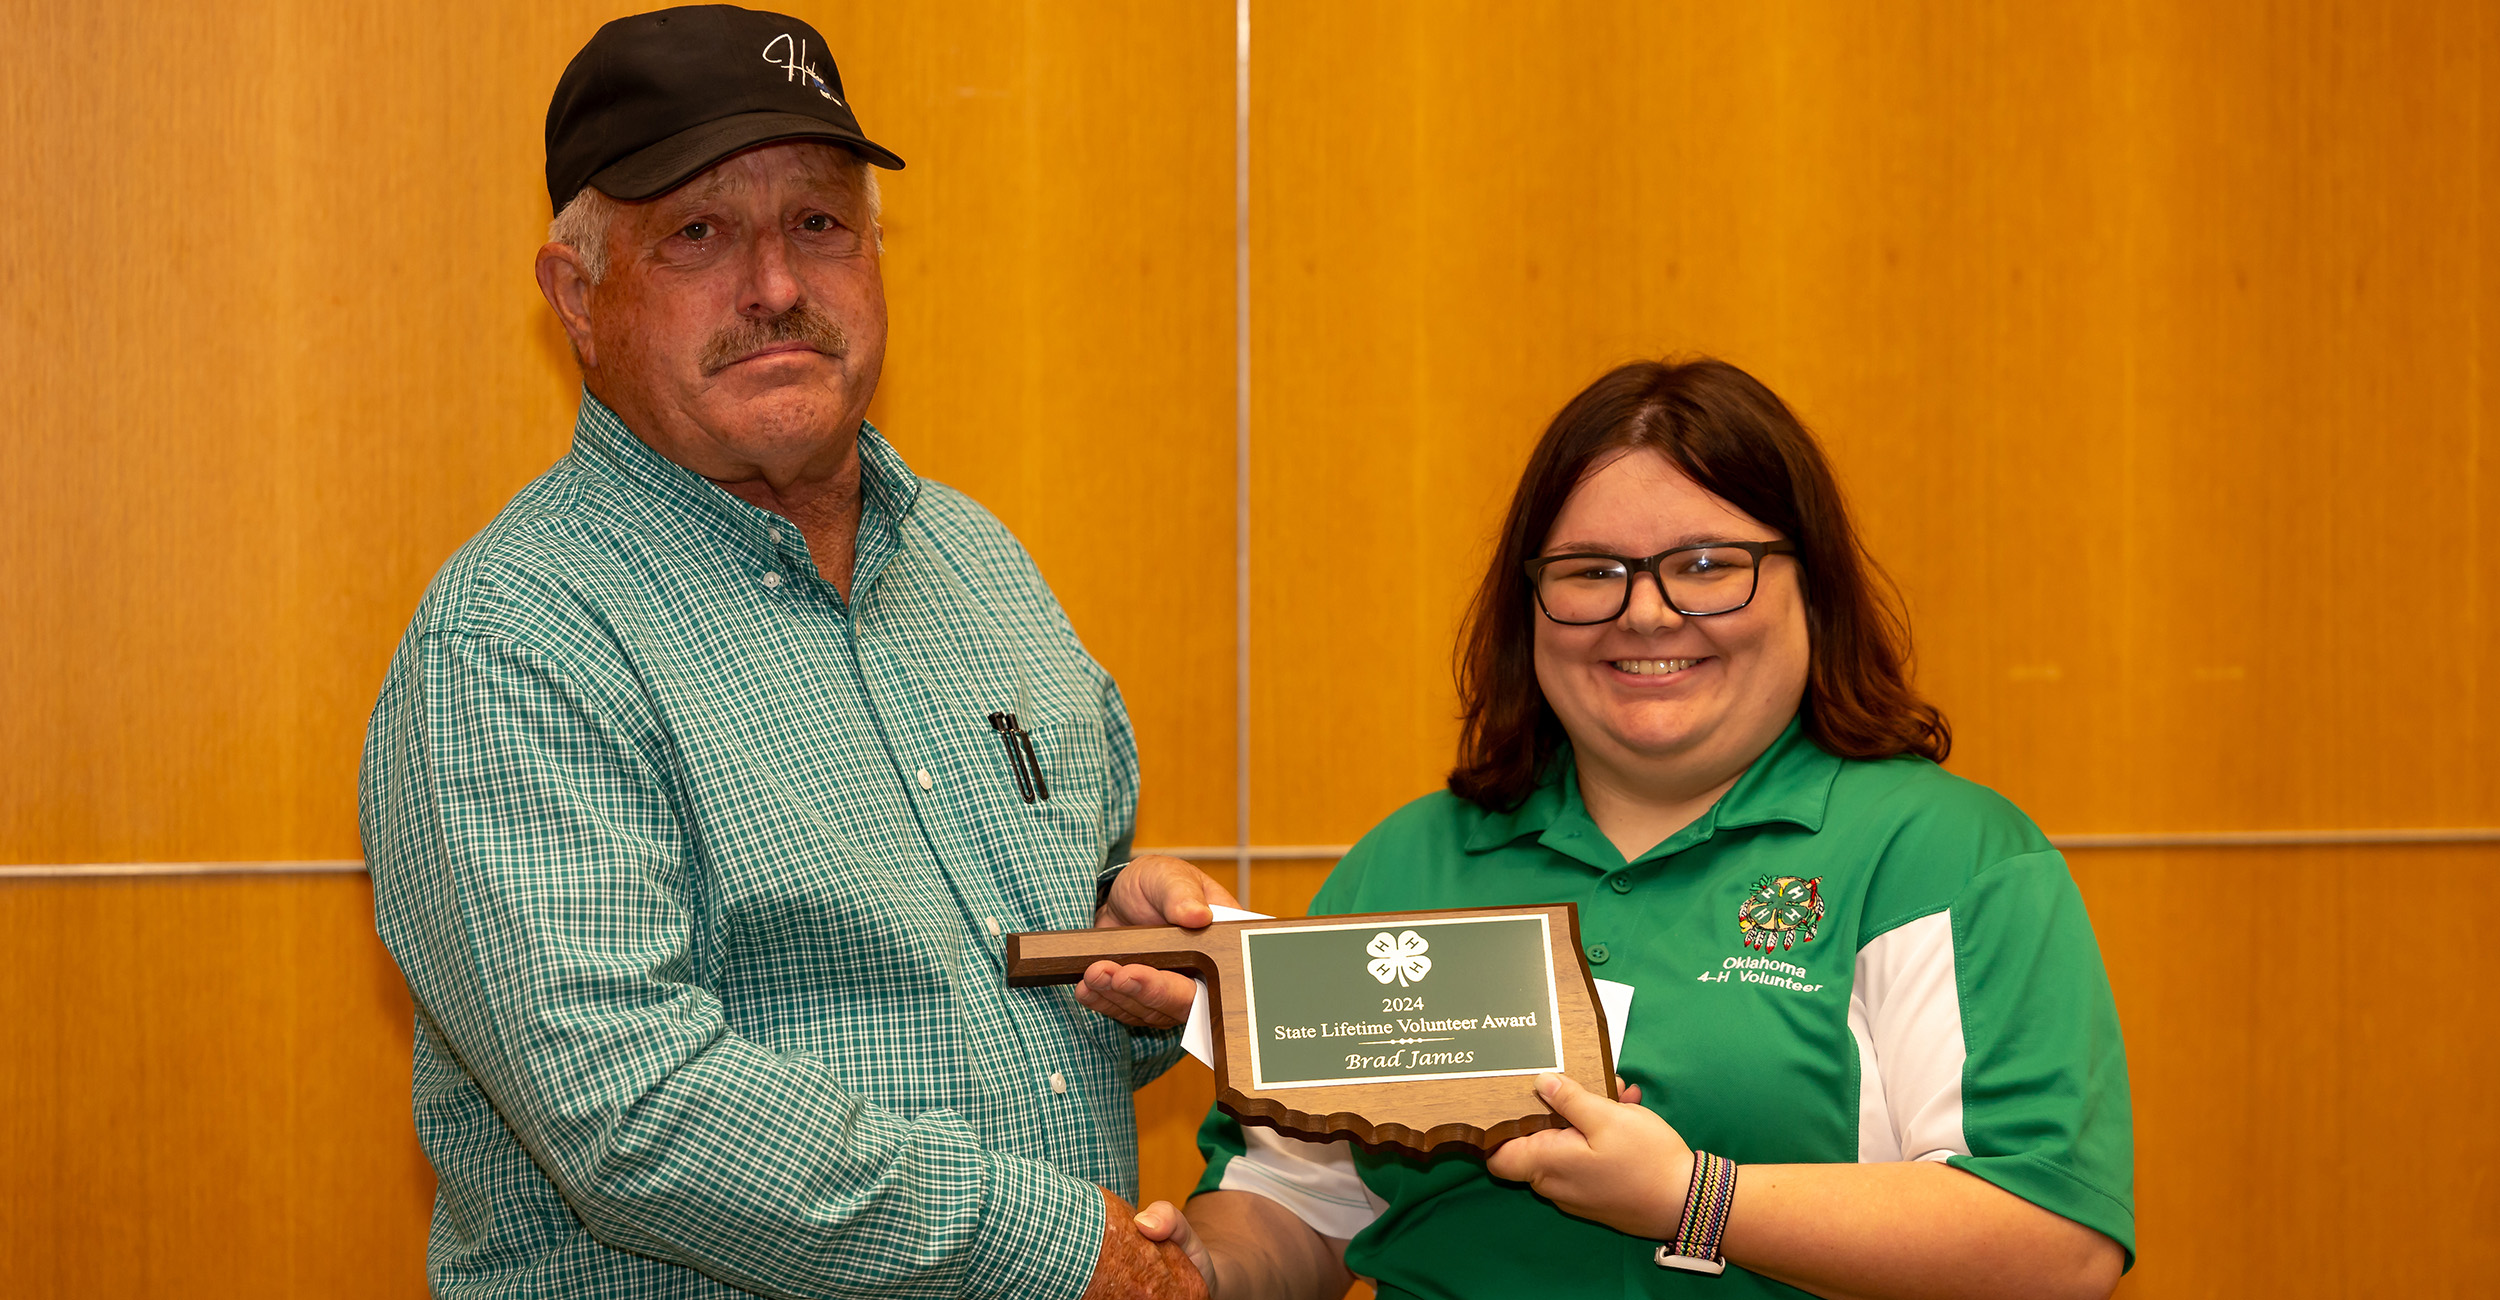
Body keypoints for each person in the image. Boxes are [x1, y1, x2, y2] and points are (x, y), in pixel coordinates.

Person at [361, 8, 1221, 1297]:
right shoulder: (519, 633)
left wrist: (1131, 951)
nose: (774, 286)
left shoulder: (980, 567)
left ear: (877, 254)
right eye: (697, 234)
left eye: (817, 223)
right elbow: (635, 1111)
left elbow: (1003, 998)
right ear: (577, 296)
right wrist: (1062, 1253)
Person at [1128, 359, 2134, 1298]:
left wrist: (1693, 1196)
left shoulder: (1941, 854)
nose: (1645, 614)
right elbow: (1308, 1200)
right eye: (1591, 571)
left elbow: (2054, 1243)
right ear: (1528, 601)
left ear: (1811, 586)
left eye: (1706, 564)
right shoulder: (1410, 860)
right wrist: (1200, 1268)